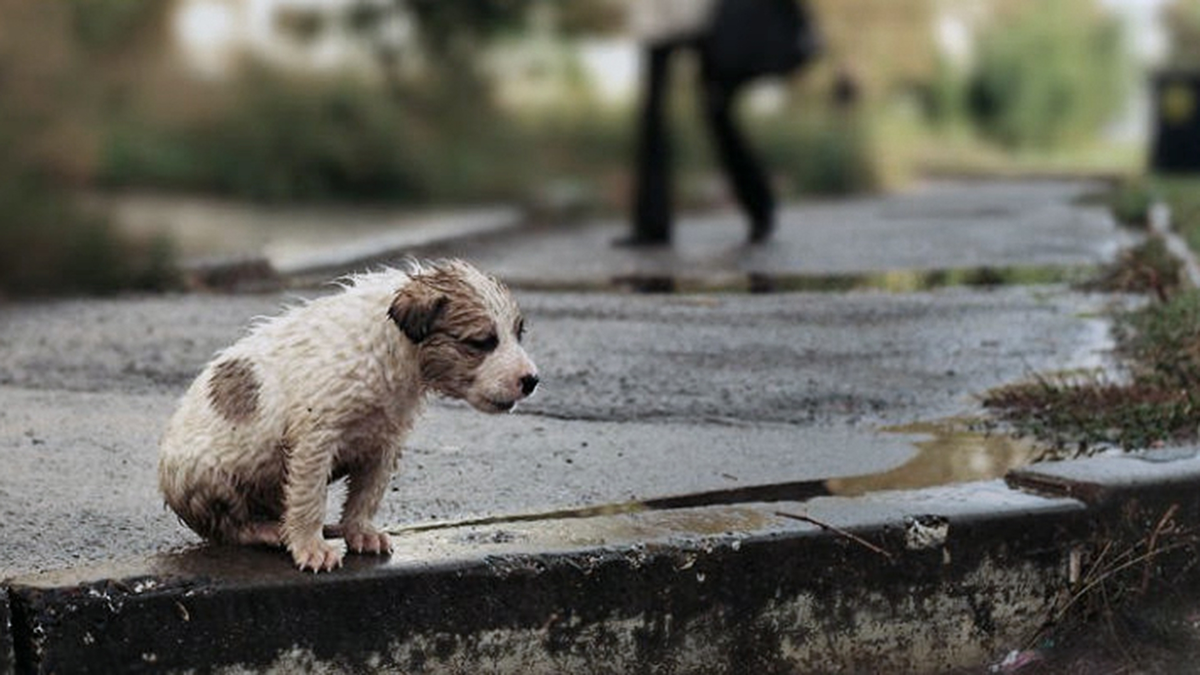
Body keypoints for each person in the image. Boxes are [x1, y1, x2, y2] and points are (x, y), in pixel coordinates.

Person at [618, 0, 815, 247]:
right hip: (659, 15)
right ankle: (652, 223)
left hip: (705, 14)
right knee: (657, 115)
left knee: (714, 110)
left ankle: (759, 204)